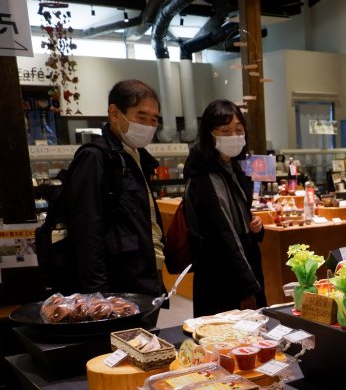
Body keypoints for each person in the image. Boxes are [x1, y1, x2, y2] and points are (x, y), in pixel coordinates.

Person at [66, 79, 165, 297]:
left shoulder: (138, 157)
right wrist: (97, 295)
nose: (148, 125)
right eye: (141, 117)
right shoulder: (95, 157)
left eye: (154, 119)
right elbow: (87, 231)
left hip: (145, 274)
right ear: (114, 113)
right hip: (116, 285)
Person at [182, 99, 266, 317]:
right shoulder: (204, 177)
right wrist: (247, 286)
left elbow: (237, 218)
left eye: (239, 130)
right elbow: (223, 235)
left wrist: (255, 226)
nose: (234, 136)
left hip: (242, 265)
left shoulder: (233, 168)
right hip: (222, 275)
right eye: (225, 131)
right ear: (210, 134)